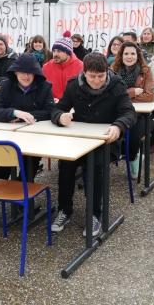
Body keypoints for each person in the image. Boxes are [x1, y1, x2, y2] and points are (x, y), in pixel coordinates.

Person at [50, 53, 136, 237]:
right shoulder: (74, 85)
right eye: (92, 76)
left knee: (96, 165)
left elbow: (129, 112)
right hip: (79, 139)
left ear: (107, 72)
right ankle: (65, 210)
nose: (96, 80)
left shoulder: (117, 85)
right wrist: (60, 117)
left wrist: (118, 126)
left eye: (101, 76)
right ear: (84, 73)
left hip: (105, 142)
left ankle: (95, 214)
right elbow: (58, 108)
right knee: (65, 164)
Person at [0, 53, 55, 231]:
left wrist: (27, 116)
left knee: (27, 163)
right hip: (11, 137)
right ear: (15, 73)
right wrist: (14, 113)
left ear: (36, 73)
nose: (26, 76)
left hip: (35, 136)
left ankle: (24, 202)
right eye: (21, 72)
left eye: (30, 72)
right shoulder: (7, 85)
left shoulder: (45, 86)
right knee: (4, 163)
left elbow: (50, 111)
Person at [112, 41, 154, 178]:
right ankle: (123, 156)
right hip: (118, 112)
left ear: (138, 55)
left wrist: (123, 95)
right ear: (121, 55)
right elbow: (111, 94)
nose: (129, 57)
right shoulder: (114, 70)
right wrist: (132, 92)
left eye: (132, 53)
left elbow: (149, 96)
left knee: (133, 137)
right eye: (126, 54)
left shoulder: (145, 71)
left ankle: (133, 156)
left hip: (140, 115)